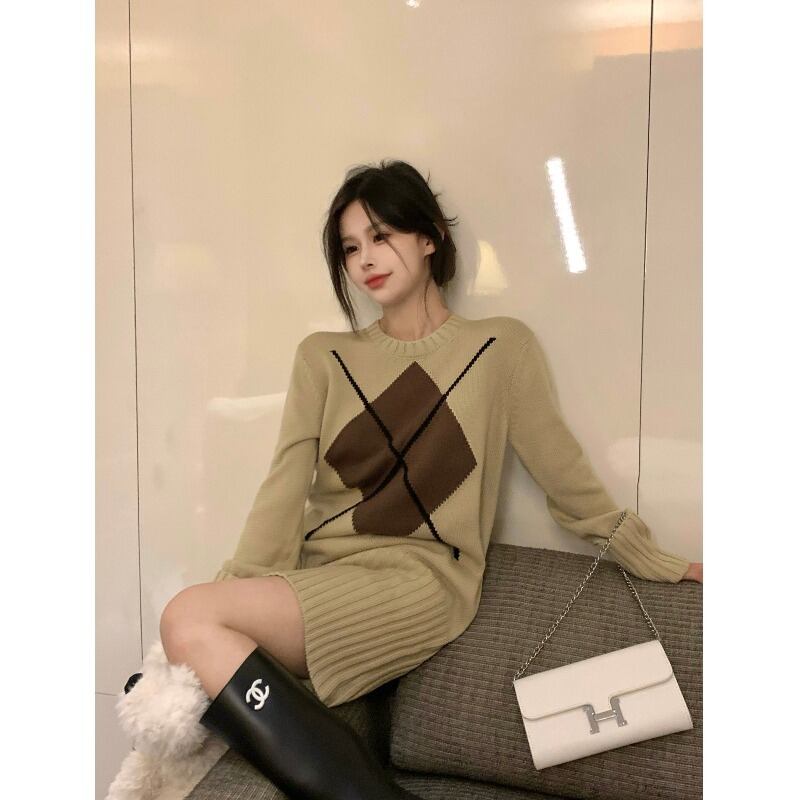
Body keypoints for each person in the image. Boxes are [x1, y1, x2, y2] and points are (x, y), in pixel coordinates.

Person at [157, 159, 703, 800]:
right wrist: (246, 588)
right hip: (324, 573)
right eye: (350, 248)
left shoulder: (499, 349)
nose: (366, 259)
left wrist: (658, 561)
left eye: (381, 235)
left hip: (420, 580)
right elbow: (285, 485)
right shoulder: (323, 357)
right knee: (192, 620)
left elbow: (567, 480)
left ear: (430, 236)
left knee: (187, 617)